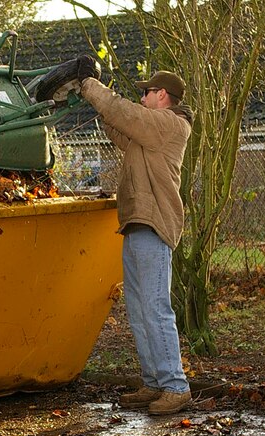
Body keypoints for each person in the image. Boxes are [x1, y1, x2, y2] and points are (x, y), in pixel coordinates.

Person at [77, 58, 194, 415]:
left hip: (154, 224)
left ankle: (175, 386)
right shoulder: (148, 134)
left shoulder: (169, 125)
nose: (141, 97)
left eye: (146, 92)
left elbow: (126, 114)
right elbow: (119, 127)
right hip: (136, 224)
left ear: (162, 95)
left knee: (156, 309)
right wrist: (92, 102)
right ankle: (155, 383)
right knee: (140, 311)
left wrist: (89, 85)